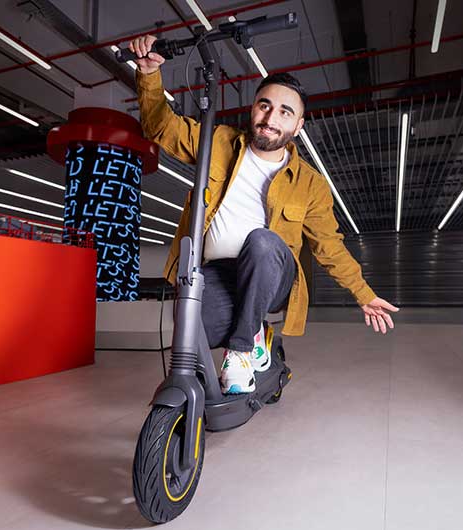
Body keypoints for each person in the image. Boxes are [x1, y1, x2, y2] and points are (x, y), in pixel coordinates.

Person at [128, 35, 399, 395]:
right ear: (253, 108)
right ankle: (252, 335)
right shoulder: (218, 141)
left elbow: (328, 246)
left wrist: (363, 293)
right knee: (193, 327)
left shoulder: (310, 183)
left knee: (261, 241)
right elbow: (161, 127)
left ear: (298, 125)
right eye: (265, 106)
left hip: (273, 273)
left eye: (285, 112)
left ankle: (242, 350)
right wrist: (148, 75)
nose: (271, 118)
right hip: (217, 274)